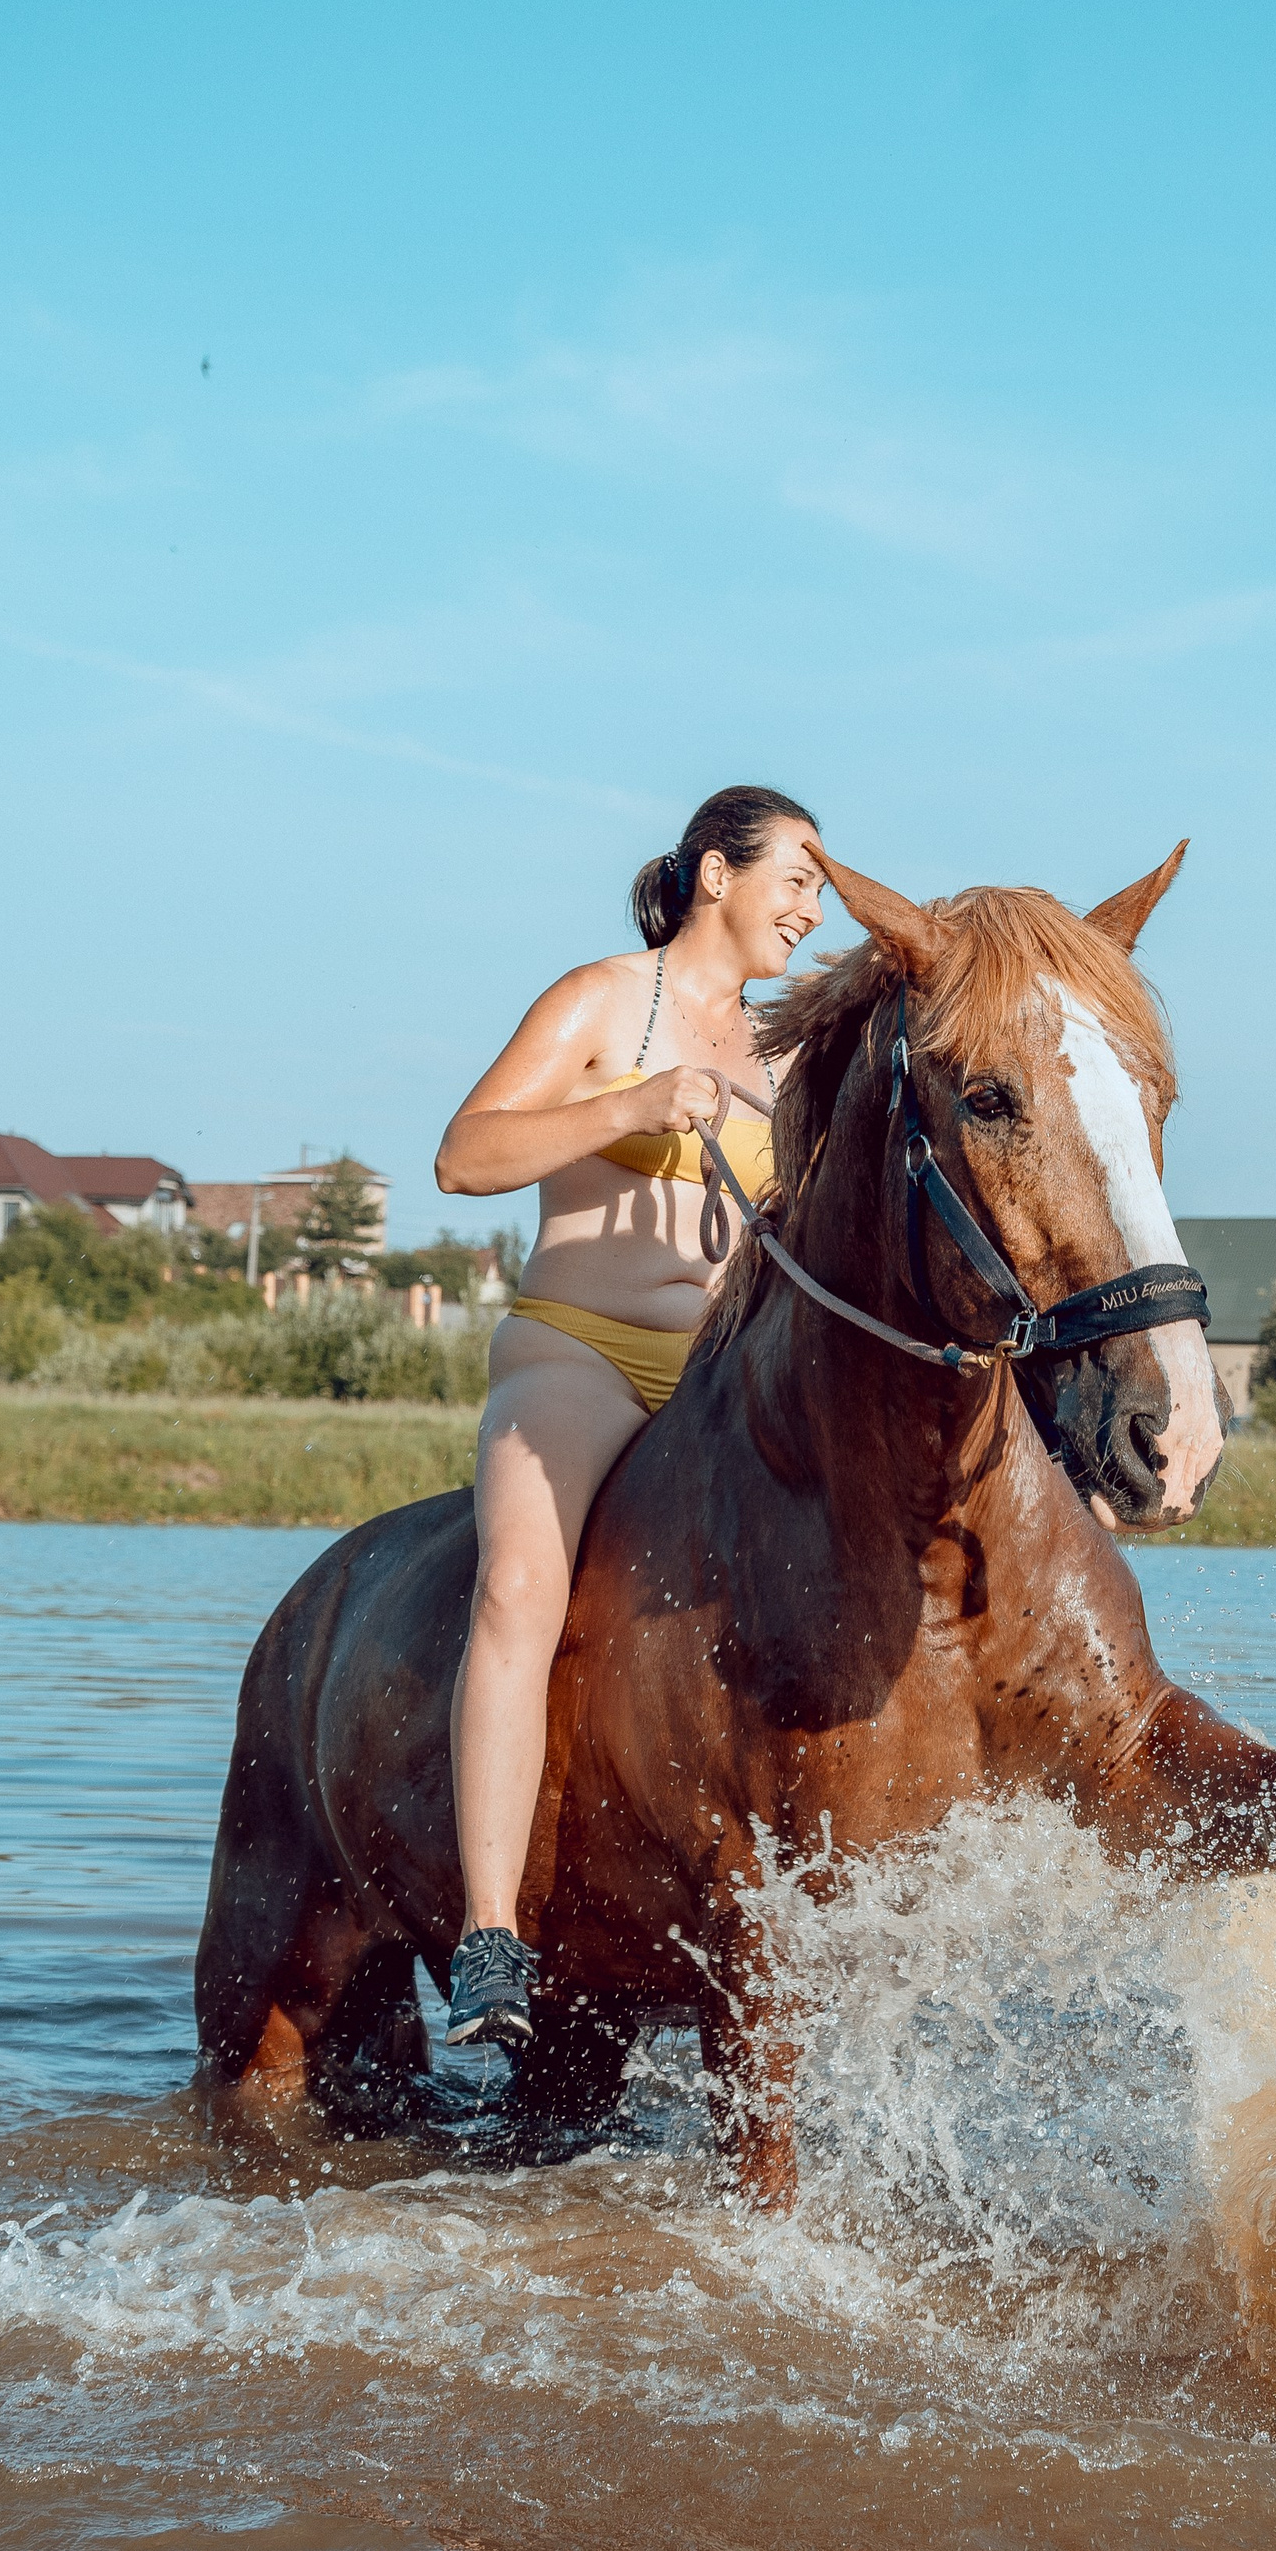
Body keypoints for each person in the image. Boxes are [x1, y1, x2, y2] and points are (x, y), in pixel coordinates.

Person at [431, 786, 829, 2049]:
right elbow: (464, 1155)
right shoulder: (601, 999)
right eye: (798, 878)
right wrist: (627, 1107)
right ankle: (491, 1933)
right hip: (584, 1354)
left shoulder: (788, 1050)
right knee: (516, 1593)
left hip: (726, 1375)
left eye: (822, 890)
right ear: (717, 873)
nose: (814, 909)